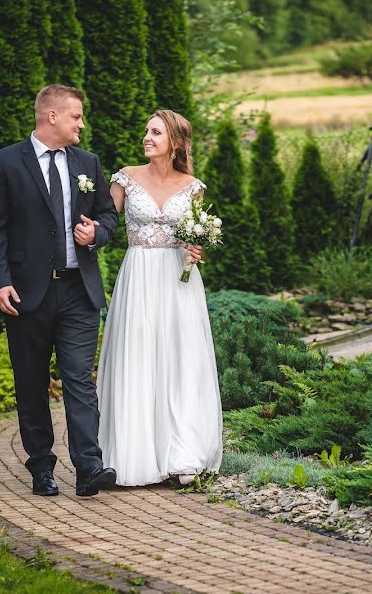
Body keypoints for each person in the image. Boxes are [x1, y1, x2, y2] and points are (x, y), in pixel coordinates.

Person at [0, 84, 119, 497]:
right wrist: (0, 280)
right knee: (32, 383)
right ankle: (41, 467)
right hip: (26, 294)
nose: (82, 124)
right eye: (76, 116)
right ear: (52, 116)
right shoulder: (3, 163)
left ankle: (89, 467)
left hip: (79, 291)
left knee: (79, 379)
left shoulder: (87, 162)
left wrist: (96, 233)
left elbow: (108, 217)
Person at [96, 109, 223, 487]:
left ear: (176, 143)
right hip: (139, 276)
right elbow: (103, 221)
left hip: (179, 280)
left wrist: (196, 248)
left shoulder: (193, 186)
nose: (147, 138)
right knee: (139, 356)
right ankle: (133, 455)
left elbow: (194, 232)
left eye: (156, 133)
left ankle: (183, 453)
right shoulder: (126, 178)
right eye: (146, 131)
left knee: (181, 358)